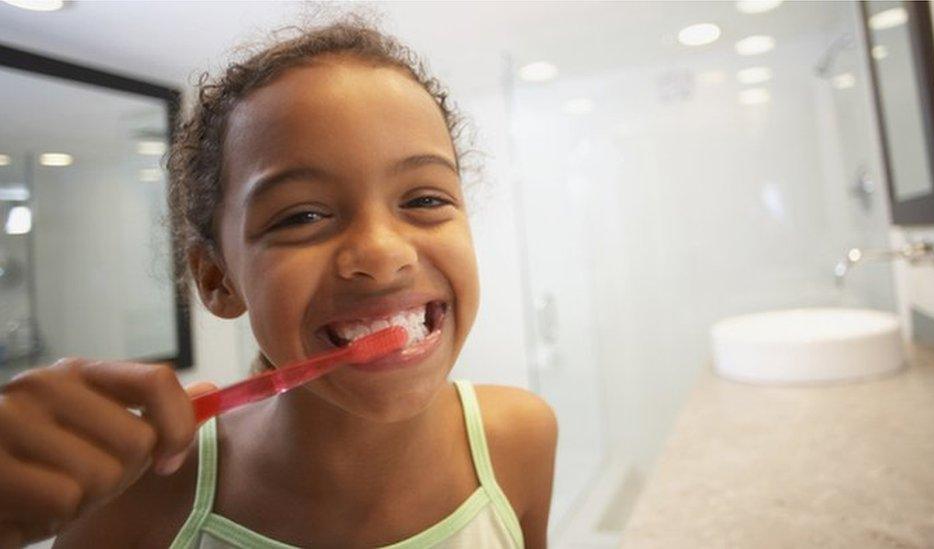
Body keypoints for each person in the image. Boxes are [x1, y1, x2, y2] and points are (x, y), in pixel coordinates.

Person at [0, 16, 557, 548]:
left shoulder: (521, 437)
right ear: (218, 280)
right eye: (301, 216)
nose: (384, 255)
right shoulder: (143, 493)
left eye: (425, 199)